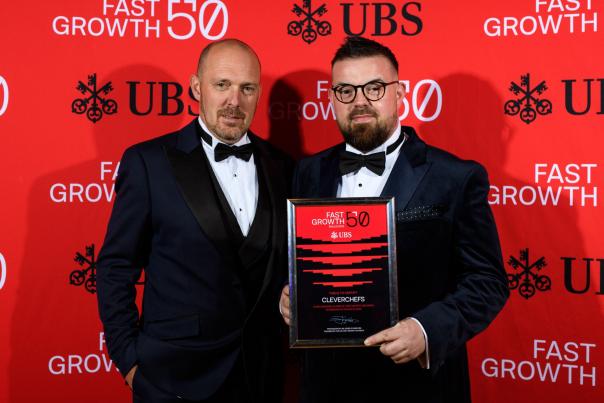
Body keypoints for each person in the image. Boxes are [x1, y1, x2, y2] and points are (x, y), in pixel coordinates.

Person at [279, 36, 509, 403]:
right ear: (332, 99)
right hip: (326, 385)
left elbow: (488, 282)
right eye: (346, 91)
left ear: (399, 93)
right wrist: (291, 294)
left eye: (374, 88)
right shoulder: (308, 171)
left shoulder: (455, 177)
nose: (360, 101)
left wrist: (426, 330)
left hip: (416, 387)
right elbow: (301, 260)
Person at [97, 39, 292, 403]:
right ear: (197, 87)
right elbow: (115, 267)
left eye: (247, 88)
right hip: (172, 377)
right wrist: (129, 362)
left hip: (261, 376)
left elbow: (286, 265)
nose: (235, 100)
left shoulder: (283, 166)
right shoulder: (148, 163)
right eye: (222, 85)